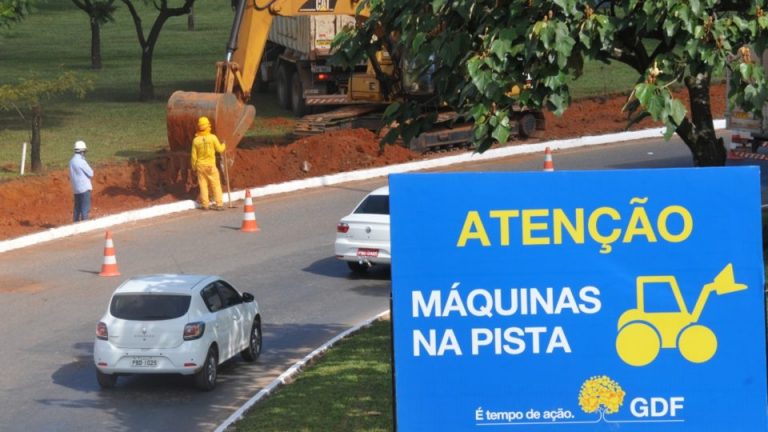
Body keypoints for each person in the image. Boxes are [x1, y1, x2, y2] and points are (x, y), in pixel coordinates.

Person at [191, 116, 226, 210]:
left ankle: (205, 205)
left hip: (200, 166)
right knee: (216, 185)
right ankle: (219, 204)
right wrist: (224, 145)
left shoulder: (195, 141)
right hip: (211, 166)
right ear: (208, 126)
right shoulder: (213, 138)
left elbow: (194, 157)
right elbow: (219, 149)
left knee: (203, 186)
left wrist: (194, 167)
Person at [69, 140, 94, 222]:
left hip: (76, 188)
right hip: (84, 188)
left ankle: (75, 225)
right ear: (82, 151)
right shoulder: (81, 161)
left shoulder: (71, 161)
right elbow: (91, 173)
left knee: (77, 209)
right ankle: (84, 226)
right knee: (84, 209)